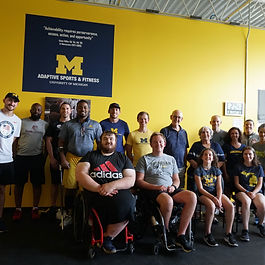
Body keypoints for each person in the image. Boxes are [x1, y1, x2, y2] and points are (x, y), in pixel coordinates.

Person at [75, 131, 135, 254]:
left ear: (116, 142)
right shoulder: (90, 155)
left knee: (130, 204)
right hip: (94, 192)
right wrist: (99, 188)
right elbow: (80, 174)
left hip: (118, 192)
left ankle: (108, 237)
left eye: (111, 139)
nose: (108, 141)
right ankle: (101, 233)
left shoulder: (122, 158)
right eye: (105, 139)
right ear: (100, 141)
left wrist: (111, 186)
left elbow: (131, 179)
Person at [136, 132, 197, 253]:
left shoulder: (171, 159)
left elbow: (176, 179)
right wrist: (156, 187)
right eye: (155, 142)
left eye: (160, 141)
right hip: (153, 190)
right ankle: (166, 232)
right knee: (168, 201)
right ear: (151, 144)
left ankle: (181, 235)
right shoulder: (144, 159)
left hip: (170, 189)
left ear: (164, 144)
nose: (158, 144)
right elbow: (139, 181)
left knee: (192, 197)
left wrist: (174, 187)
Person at [58, 100, 102, 223]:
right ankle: (68, 214)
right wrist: (62, 159)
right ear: (76, 109)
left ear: (88, 110)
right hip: (71, 158)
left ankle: (87, 215)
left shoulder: (96, 125)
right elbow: (60, 143)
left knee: (87, 188)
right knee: (70, 187)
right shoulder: (68, 125)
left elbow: (99, 145)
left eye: (85, 107)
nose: (82, 109)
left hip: (88, 161)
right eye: (80, 107)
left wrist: (97, 162)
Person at [194, 148, 238, 247]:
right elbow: (200, 189)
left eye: (210, 155)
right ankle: (207, 234)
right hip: (203, 194)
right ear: (202, 157)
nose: (208, 156)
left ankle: (228, 234)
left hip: (216, 194)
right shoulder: (198, 170)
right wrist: (214, 199)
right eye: (205, 154)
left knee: (230, 206)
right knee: (211, 206)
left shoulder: (217, 170)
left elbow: (219, 187)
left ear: (213, 158)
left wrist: (218, 198)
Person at [13, 103, 48, 220]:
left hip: (37, 158)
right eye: (34, 109)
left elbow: (47, 142)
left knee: (37, 184)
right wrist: (14, 156)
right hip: (21, 157)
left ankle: (35, 208)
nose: (36, 111)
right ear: (30, 110)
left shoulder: (45, 124)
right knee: (19, 184)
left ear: (41, 112)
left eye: (39, 110)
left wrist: (44, 157)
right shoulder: (21, 122)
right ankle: (18, 209)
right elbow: (15, 140)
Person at [45, 102, 71, 217]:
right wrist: (51, 158)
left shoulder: (74, 124)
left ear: (70, 111)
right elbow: (48, 141)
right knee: (55, 183)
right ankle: (53, 207)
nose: (65, 110)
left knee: (69, 184)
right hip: (55, 157)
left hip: (70, 158)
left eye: (67, 108)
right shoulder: (53, 124)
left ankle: (67, 208)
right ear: (60, 111)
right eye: (63, 108)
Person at [234, 146, 265, 241]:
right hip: (242, 191)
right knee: (246, 202)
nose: (248, 156)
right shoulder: (238, 166)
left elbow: (260, 184)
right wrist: (247, 192)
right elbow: (236, 183)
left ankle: (260, 224)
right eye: (245, 154)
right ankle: (245, 230)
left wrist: (254, 192)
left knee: (262, 204)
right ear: (242, 155)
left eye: (250, 154)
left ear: (253, 155)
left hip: (255, 191)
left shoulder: (258, 167)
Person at [0, 93, 21, 232]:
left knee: (1, 191)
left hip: (6, 160)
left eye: (15, 102)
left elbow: (13, 140)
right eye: (9, 100)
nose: (12, 103)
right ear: (4, 100)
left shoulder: (17, 121)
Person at [187, 126, 225, 192]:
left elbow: (222, 160)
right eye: (203, 132)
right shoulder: (196, 145)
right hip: (197, 173)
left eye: (207, 132)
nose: (205, 134)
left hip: (212, 174)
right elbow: (189, 158)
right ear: (200, 135)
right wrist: (200, 169)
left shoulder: (216, 145)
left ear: (210, 134)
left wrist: (212, 170)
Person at [160, 110, 189, 188]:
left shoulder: (184, 132)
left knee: (180, 188)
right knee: (168, 187)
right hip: (167, 166)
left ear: (182, 119)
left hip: (181, 166)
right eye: (175, 116)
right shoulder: (164, 131)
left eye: (179, 117)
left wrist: (185, 164)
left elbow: (185, 149)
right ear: (171, 117)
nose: (177, 119)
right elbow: (160, 148)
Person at [222, 127, 246, 197]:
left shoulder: (244, 147)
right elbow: (223, 161)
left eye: (236, 133)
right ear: (229, 135)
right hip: (229, 172)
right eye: (232, 133)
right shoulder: (226, 146)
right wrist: (225, 174)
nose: (234, 135)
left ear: (239, 135)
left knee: (239, 193)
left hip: (240, 173)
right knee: (228, 191)